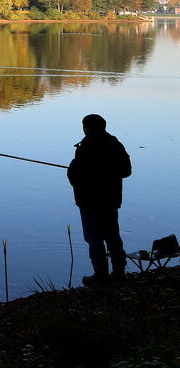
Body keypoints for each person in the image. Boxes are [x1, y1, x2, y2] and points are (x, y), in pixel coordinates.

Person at [67, 114, 132, 285]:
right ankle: (119, 273)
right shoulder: (115, 144)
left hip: (89, 201)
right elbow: (126, 171)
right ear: (104, 126)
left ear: (86, 128)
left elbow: (74, 175)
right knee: (113, 236)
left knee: (94, 238)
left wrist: (75, 171)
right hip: (111, 200)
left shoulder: (85, 146)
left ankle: (100, 275)